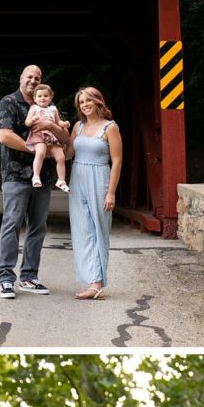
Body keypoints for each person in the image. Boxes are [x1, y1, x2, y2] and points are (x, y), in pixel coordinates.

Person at [0, 62, 63, 300]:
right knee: (12, 224)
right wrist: (35, 150)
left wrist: (53, 126)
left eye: (38, 77)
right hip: (15, 174)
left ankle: (29, 276)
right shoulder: (8, 103)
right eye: (29, 77)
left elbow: (63, 136)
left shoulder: (48, 105)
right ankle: (5, 279)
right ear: (21, 78)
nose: (33, 81)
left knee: (37, 227)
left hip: (42, 177)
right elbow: (4, 135)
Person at [69, 86, 122, 300]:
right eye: (81, 102)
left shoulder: (110, 127)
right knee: (82, 230)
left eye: (88, 101)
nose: (85, 105)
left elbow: (117, 161)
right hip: (77, 178)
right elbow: (68, 153)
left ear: (98, 102)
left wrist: (111, 193)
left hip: (99, 178)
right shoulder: (78, 127)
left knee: (99, 229)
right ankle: (93, 283)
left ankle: (97, 283)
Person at [23, 85, 70, 192]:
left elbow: (58, 121)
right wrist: (32, 119)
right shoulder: (34, 108)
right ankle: (36, 176)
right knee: (40, 153)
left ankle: (61, 180)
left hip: (52, 136)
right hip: (39, 135)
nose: (42, 98)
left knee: (61, 157)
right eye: (39, 96)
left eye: (45, 96)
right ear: (35, 98)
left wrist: (64, 123)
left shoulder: (53, 109)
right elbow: (27, 122)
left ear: (50, 97)